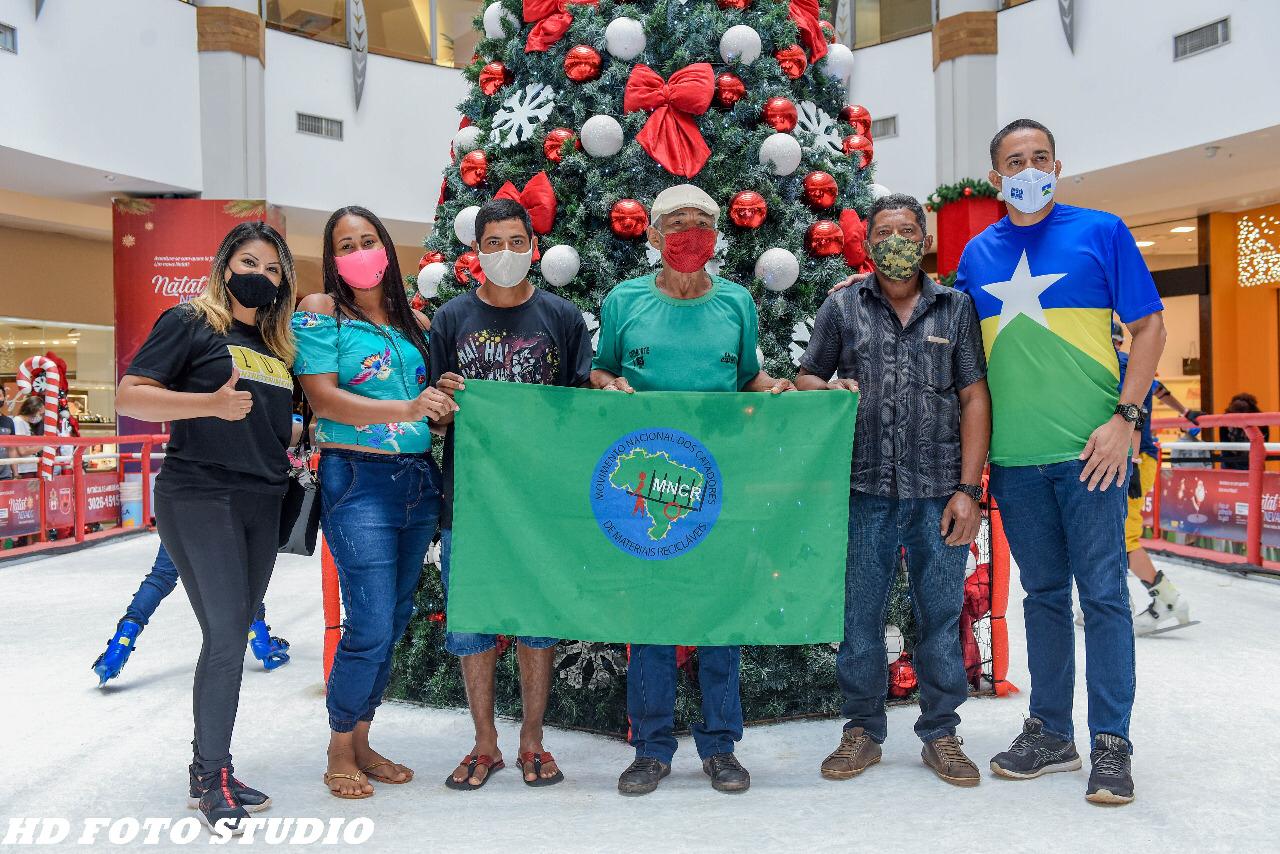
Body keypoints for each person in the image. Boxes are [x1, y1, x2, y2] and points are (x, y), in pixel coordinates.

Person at [955, 119, 1166, 806]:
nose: (1028, 167)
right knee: (1043, 598)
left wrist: (1126, 419)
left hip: (1092, 455)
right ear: (996, 176)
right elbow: (962, 363)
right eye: (1015, 160)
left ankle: (1112, 741)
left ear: (1057, 164)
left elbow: (1149, 325)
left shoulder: (1101, 231)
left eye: (1039, 157)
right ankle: (1050, 730)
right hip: (1016, 463)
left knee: (1103, 596)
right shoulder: (976, 255)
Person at [590, 184, 796, 796]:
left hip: (717, 483)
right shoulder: (624, 301)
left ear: (716, 237)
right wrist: (607, 386)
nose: (690, 233)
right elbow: (601, 369)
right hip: (645, 487)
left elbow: (747, 377)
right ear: (652, 235)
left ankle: (720, 747)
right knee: (649, 618)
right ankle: (650, 750)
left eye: (702, 223)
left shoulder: (736, 303)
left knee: (718, 618)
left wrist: (775, 393)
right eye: (676, 223)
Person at [797, 193, 991, 787]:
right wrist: (826, 391)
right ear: (868, 241)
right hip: (862, 490)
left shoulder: (956, 309)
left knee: (938, 615)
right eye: (884, 231)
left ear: (924, 237)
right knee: (859, 618)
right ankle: (862, 730)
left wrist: (969, 489)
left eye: (908, 230)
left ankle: (942, 733)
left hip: (940, 493)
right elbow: (807, 374)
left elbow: (974, 398)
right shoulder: (843, 307)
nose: (896, 240)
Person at [116, 220, 297, 832]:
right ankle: (212, 771)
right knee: (224, 635)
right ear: (225, 268)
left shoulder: (277, 348)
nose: (262, 277)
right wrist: (208, 404)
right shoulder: (190, 323)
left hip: (260, 502)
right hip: (200, 496)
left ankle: (208, 769)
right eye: (251, 263)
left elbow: (268, 425)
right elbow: (130, 396)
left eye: (274, 270)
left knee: (233, 632)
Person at [429, 197, 593, 791]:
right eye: (492, 243)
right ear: (476, 253)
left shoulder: (563, 318)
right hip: (469, 500)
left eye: (514, 242)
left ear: (533, 247)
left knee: (537, 622)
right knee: (471, 622)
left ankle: (532, 739)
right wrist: (443, 401)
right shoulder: (450, 321)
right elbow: (433, 419)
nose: (505, 254)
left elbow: (580, 413)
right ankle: (484, 742)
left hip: (540, 501)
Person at [293, 206, 455, 800]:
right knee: (369, 623)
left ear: (386, 248)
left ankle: (363, 739)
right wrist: (409, 410)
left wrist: (437, 408)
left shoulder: (417, 323)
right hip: (357, 480)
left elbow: (422, 409)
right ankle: (339, 745)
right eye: (346, 243)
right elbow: (325, 402)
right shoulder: (322, 314)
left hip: (417, 480)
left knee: (394, 620)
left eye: (368, 240)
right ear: (334, 258)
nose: (359, 250)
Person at [90, 542, 291, 687]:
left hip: (177, 501)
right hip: (221, 505)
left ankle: (121, 642)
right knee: (242, 574)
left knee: (161, 576)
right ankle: (260, 640)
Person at [1111, 322, 1191, 635]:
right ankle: (1120, 599)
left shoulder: (1118, 364)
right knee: (1114, 534)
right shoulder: (1131, 361)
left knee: (1124, 538)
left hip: (1133, 456)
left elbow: (1135, 416)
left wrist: (1130, 463)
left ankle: (1168, 602)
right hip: (1135, 457)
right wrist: (1186, 413)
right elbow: (1160, 392)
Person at [1220, 392, 1267, 470]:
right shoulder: (1225, 420)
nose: (1239, 419)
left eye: (1242, 416)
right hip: (1229, 460)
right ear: (1231, 413)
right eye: (1236, 416)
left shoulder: (1261, 422)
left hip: (1253, 460)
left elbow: (1263, 444)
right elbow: (1224, 445)